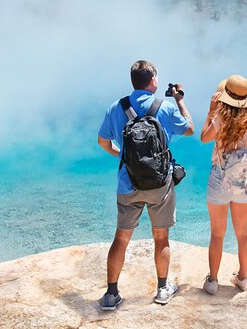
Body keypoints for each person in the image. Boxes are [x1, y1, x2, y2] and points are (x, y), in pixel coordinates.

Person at [97, 60, 194, 310]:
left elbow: (103, 142)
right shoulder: (167, 107)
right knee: (161, 238)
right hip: (159, 184)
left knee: (121, 239)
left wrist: (122, 155)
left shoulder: (116, 108)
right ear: (153, 81)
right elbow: (191, 129)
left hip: (127, 183)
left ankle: (111, 295)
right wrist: (180, 100)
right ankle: (162, 289)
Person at [200, 74, 247, 294]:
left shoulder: (220, 119)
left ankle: (213, 281)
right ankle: (243, 278)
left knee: (217, 233)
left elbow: (204, 138)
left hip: (219, 179)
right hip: (243, 181)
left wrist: (211, 112)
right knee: (242, 233)